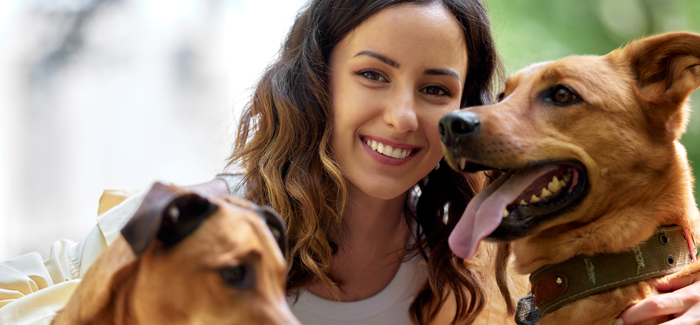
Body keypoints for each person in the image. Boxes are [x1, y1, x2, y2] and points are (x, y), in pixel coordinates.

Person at [1, 0, 700, 324]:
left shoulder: (478, 268)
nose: (403, 116)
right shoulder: (187, 223)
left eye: (436, 90)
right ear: (317, 86)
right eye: (372, 75)